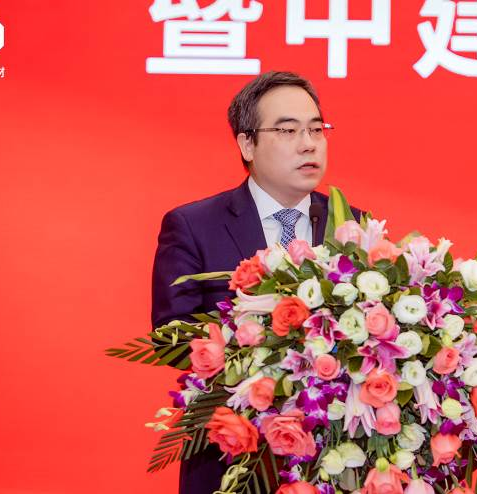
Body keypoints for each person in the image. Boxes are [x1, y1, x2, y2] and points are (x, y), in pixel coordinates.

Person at [150, 71, 361, 494]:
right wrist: (266, 345)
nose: (308, 143)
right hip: (233, 458)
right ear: (247, 144)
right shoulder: (193, 225)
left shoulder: (352, 224)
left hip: (334, 461)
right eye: (287, 130)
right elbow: (170, 338)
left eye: (316, 129)